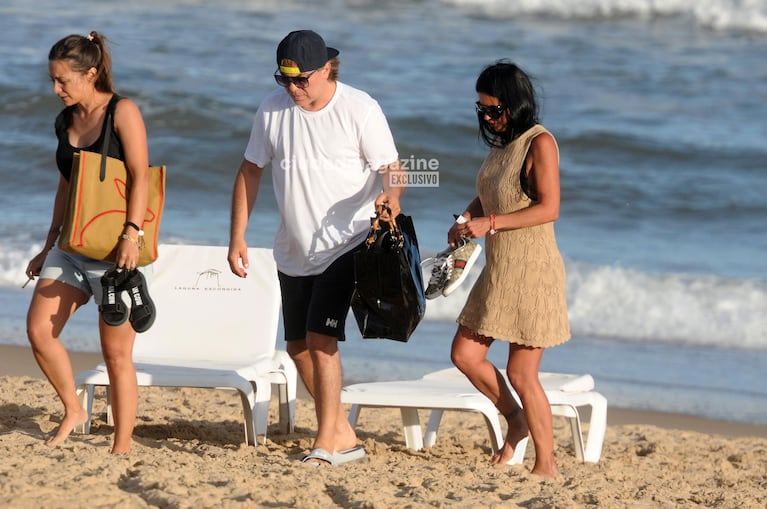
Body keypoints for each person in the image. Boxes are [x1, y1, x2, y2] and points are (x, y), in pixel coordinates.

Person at [227, 30, 403, 465]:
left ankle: (326, 443)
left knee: (321, 338)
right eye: (283, 79)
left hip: (347, 243)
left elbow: (393, 167)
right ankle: (343, 432)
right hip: (293, 248)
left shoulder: (360, 108)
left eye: (301, 79)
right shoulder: (272, 110)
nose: (292, 88)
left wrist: (392, 198)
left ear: (327, 69)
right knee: (297, 346)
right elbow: (249, 170)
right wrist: (237, 237)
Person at [25, 31, 152, 454]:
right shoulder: (65, 120)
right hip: (70, 244)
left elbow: (141, 175)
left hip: (114, 249)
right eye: (53, 81)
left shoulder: (123, 111)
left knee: (115, 354)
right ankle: (74, 410)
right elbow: (67, 186)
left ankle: (122, 445)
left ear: (91, 73)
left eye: (63, 80)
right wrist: (48, 245)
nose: (57, 89)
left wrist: (132, 234)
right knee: (39, 332)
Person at [448, 61, 570, 477]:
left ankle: (547, 464)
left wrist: (492, 224)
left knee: (521, 371)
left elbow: (549, 208)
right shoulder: (504, 145)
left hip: (533, 270)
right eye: (480, 110)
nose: (486, 117)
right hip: (500, 269)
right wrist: (468, 217)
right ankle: (515, 419)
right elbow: (494, 193)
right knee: (464, 354)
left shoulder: (541, 143)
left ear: (514, 105)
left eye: (493, 110)